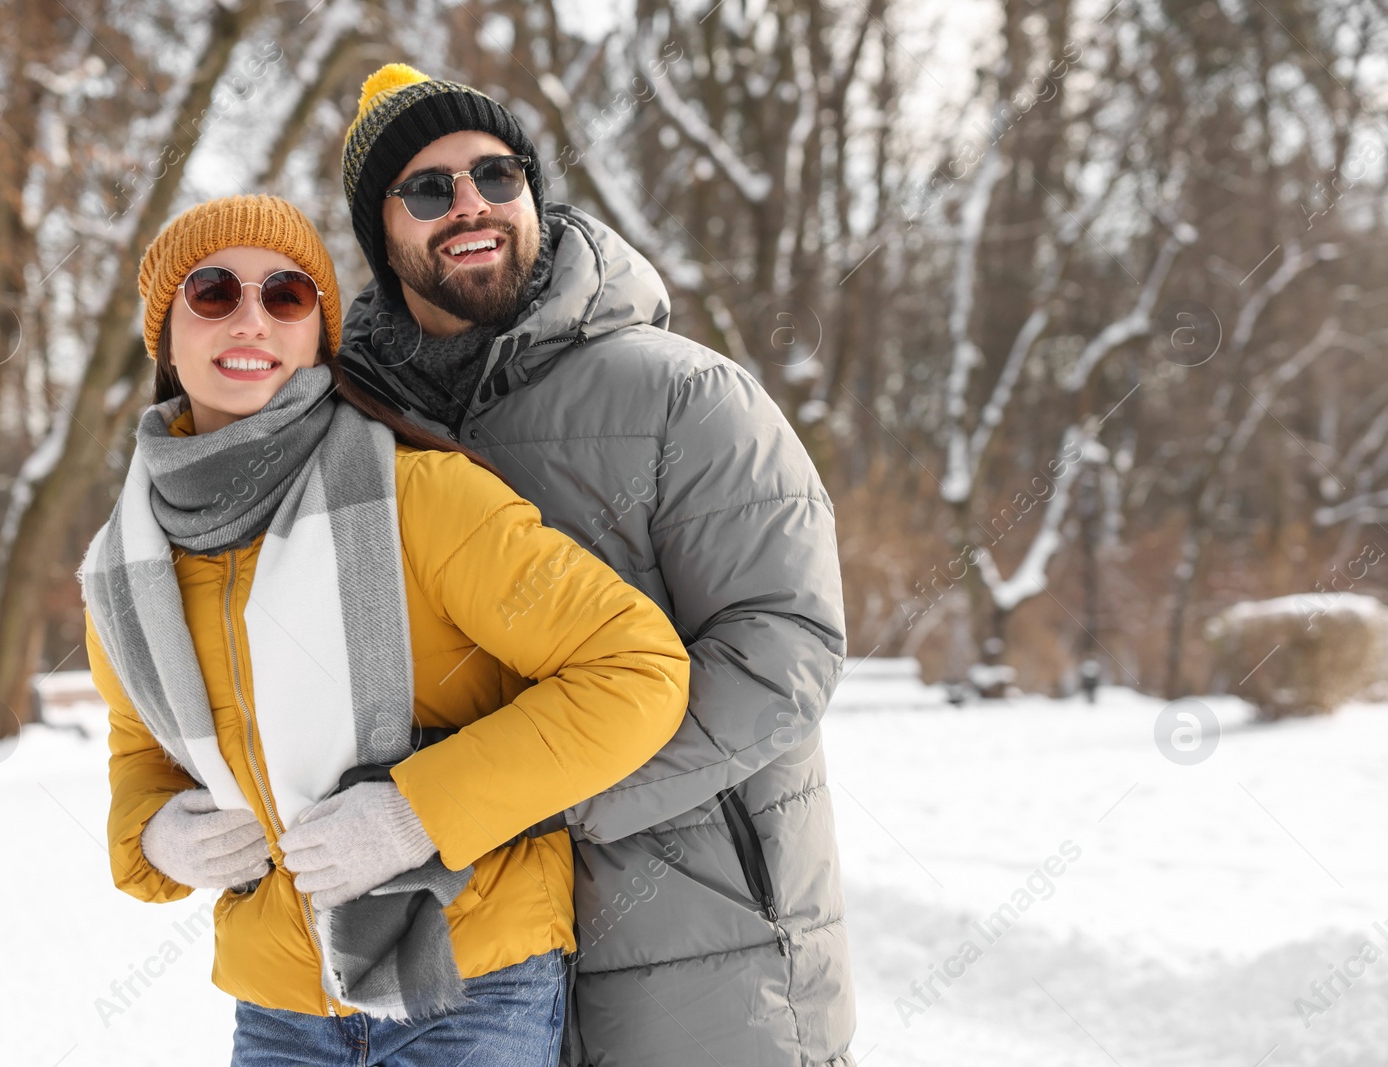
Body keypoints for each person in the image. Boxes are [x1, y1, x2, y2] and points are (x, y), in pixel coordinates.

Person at [80, 193, 690, 1066]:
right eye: (213, 292)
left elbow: (637, 670)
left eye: (286, 295)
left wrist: (417, 813)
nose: (250, 316)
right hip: (278, 1004)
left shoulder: (418, 498)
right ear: (165, 336)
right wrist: (153, 836)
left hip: (471, 981)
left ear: (316, 334)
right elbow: (140, 752)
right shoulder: (126, 566)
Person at [333, 65, 854, 1066]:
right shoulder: (359, 433)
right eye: (429, 188)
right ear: (379, 232)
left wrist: (517, 794)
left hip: (704, 960)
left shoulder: (684, 395)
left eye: (497, 172)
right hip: (466, 970)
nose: (470, 204)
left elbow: (782, 649)